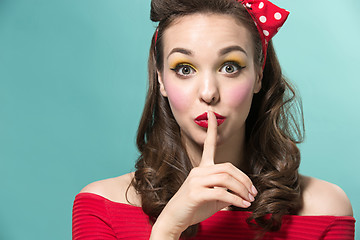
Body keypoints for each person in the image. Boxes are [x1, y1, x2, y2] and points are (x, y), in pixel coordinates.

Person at [72, 0, 355, 239]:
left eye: (229, 67)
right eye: (184, 68)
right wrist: (168, 228)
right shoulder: (102, 206)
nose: (208, 93)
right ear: (161, 79)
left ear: (258, 74)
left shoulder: (324, 208)